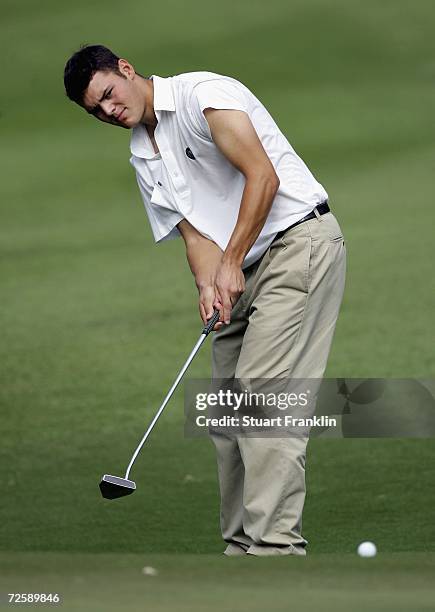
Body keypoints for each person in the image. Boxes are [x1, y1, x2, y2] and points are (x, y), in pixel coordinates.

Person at [64, 44, 346, 556]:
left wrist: (232, 260)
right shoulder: (141, 153)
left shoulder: (203, 95)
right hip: (241, 264)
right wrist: (209, 284)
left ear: (126, 70)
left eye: (108, 94)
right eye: (95, 110)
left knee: (262, 396)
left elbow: (263, 176)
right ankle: (240, 548)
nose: (108, 111)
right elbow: (195, 235)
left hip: (297, 243)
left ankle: (275, 549)